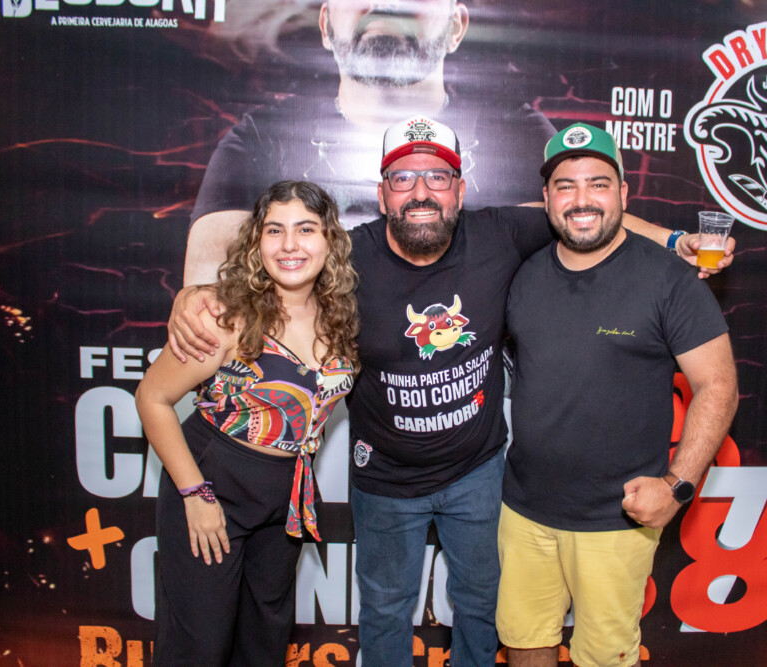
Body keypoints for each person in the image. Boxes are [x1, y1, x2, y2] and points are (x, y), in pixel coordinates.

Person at [168, 116, 733, 666]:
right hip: (385, 479)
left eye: (437, 177)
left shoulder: (499, 234)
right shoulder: (346, 258)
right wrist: (196, 295)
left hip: (477, 475)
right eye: (403, 178)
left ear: (460, 190)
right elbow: (276, 265)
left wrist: (675, 240)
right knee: (384, 611)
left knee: (482, 611)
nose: (421, 192)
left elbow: (585, 212)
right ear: (383, 194)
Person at [497, 124, 739, 667]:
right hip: (524, 510)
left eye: (599, 184)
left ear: (624, 194)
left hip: (617, 517)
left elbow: (718, 385)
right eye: (565, 185)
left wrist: (677, 486)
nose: (582, 199)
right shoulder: (522, 272)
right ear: (546, 198)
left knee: (604, 657)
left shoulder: (669, 280)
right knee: (524, 641)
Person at [135, 181, 359, 665]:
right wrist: (195, 494)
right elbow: (152, 397)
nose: (289, 245)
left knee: (264, 643)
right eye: (274, 230)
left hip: (286, 499)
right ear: (257, 241)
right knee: (199, 647)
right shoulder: (224, 315)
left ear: (330, 240)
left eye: (306, 229)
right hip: (213, 486)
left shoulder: (342, 316)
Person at [186, 0, 556, 286]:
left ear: (456, 26)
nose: (386, 3)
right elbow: (206, 305)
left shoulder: (521, 139)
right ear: (325, 25)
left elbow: (563, 282)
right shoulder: (258, 142)